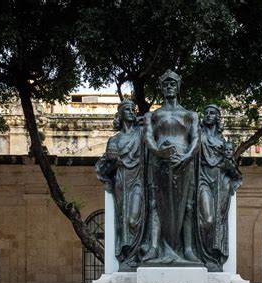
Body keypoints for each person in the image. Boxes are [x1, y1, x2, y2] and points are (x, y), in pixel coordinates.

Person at [142, 70, 200, 264]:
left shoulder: (190, 114)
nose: (169, 87)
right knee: (156, 205)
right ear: (161, 88)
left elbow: (196, 140)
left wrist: (186, 157)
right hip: (159, 163)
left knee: (188, 206)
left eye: (172, 84)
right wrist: (159, 152)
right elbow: (149, 138)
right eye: (165, 84)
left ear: (178, 87)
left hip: (184, 163)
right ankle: (154, 247)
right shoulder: (152, 115)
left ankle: (189, 249)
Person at [96, 99, 145, 269]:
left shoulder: (142, 134)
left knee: (134, 218)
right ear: (121, 114)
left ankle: (139, 253)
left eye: (134, 109)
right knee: (123, 218)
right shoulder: (114, 140)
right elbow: (106, 168)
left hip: (138, 180)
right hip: (121, 181)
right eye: (128, 109)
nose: (132, 112)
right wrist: (113, 161)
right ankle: (128, 256)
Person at [197, 104, 242, 270]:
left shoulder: (224, 142)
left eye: (212, 113)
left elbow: (231, 167)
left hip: (221, 180)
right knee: (207, 219)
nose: (208, 115)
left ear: (218, 118)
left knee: (218, 219)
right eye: (206, 112)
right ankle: (203, 255)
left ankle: (214, 258)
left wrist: (228, 159)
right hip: (203, 179)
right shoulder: (198, 135)